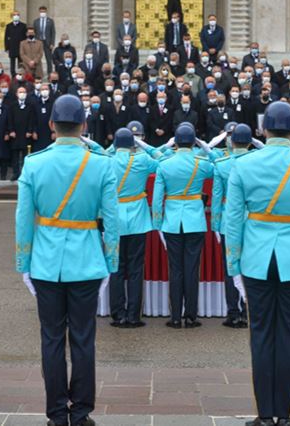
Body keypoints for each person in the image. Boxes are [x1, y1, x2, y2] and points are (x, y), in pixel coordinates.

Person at [225, 101, 290, 426]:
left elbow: (233, 222)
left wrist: (234, 266)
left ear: (263, 130)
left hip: (256, 258)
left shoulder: (243, 165)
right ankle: (285, 414)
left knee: (260, 334)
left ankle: (264, 413)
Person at [15, 94, 117, 426]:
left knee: (52, 339)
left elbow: (23, 219)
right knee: (84, 339)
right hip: (87, 260)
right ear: (84, 126)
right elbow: (112, 222)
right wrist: (110, 262)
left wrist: (24, 264)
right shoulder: (100, 163)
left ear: (50, 126)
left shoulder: (34, 163)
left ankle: (57, 412)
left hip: (45, 262)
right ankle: (82, 411)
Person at [152, 124, 214, 328]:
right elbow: (219, 166)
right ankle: (191, 315)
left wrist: (157, 222)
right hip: (195, 220)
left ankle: (176, 316)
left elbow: (158, 197)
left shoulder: (165, 164)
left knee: (175, 269)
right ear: (194, 141)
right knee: (192, 269)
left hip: (171, 221)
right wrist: (205, 148)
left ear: (176, 142)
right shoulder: (201, 163)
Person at [108, 125, 159, 328]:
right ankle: (133, 315)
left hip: (115, 218)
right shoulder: (143, 159)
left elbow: (97, 153)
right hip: (138, 218)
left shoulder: (107, 161)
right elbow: (161, 158)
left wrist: (112, 148)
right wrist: (142, 144)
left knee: (117, 268)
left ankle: (117, 314)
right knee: (136, 268)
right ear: (133, 144)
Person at [212, 123, 256, 328]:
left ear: (231, 141)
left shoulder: (222, 164)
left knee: (231, 268)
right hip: (253, 219)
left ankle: (233, 312)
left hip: (229, 220)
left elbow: (216, 198)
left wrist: (215, 225)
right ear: (249, 142)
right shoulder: (258, 162)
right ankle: (249, 311)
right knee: (250, 267)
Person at [33, 6, 56, 75]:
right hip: (38, 42)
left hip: (47, 42)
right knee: (37, 58)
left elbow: (53, 32)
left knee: (49, 59)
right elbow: (34, 32)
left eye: (44, 11)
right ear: (39, 12)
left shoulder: (50, 21)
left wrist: (52, 43)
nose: (42, 13)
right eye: (41, 11)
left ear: (46, 12)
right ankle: (37, 73)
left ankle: (50, 74)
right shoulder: (36, 21)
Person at [4, 10, 27, 75]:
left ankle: (21, 75)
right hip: (12, 47)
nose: (16, 16)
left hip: (21, 47)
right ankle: (13, 75)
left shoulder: (23, 25)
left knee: (21, 63)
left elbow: (25, 37)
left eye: (17, 15)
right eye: (14, 15)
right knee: (12, 63)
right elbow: (6, 37)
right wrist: (7, 47)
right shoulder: (9, 26)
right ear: (12, 16)